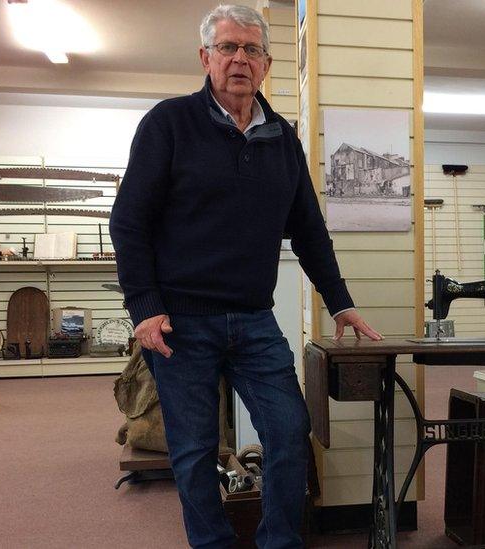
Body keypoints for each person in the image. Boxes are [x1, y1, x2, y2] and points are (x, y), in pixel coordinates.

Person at [109, 5, 382, 548]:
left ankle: (279, 542)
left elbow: (308, 230)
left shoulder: (282, 138)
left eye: (251, 50)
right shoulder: (168, 124)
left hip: (254, 321)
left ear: (266, 63)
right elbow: (129, 221)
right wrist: (144, 308)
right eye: (228, 47)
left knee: (287, 433)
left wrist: (340, 302)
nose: (240, 59)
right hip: (180, 323)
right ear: (205, 57)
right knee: (192, 449)